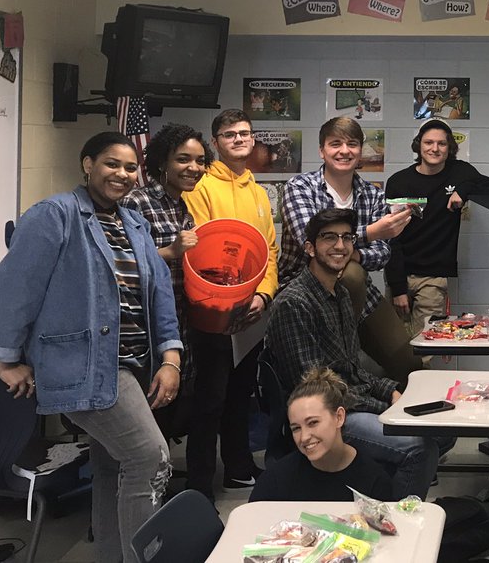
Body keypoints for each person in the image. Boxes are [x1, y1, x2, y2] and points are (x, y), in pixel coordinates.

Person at [0, 132, 182, 563]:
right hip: (86, 367)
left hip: (134, 364)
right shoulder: (54, 215)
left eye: (131, 168)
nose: (123, 175)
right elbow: (12, 291)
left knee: (115, 466)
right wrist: (5, 359)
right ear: (87, 164)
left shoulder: (134, 223)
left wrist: (171, 356)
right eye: (112, 164)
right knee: (150, 460)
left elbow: (160, 291)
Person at [264, 208, 449, 500]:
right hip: (327, 414)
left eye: (346, 238)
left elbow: (353, 368)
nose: (339, 246)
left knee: (444, 430)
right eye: (329, 238)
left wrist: (390, 394)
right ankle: (396, 526)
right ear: (310, 248)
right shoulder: (294, 303)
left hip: (350, 399)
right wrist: (383, 409)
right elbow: (313, 389)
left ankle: (374, 491)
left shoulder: (342, 294)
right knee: (419, 448)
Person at [183, 109, 280, 497]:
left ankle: (238, 467)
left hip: (251, 313)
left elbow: (269, 250)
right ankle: (199, 486)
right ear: (216, 143)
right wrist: (233, 298)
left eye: (244, 133)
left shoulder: (258, 191)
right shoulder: (202, 186)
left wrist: (262, 294)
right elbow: (202, 250)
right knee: (210, 401)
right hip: (214, 314)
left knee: (242, 395)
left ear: (253, 139)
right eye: (229, 135)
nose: (239, 140)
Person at [279, 116, 418, 383]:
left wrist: (355, 251)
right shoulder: (299, 187)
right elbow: (309, 241)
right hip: (304, 291)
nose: (344, 151)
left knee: (410, 366)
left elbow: (383, 254)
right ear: (322, 150)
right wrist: (371, 233)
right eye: (335, 144)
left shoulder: (373, 194)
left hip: (357, 294)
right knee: (352, 273)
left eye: (352, 144)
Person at [122, 122, 210, 432]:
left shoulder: (182, 206)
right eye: (183, 159)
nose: (193, 167)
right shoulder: (137, 201)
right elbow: (121, 264)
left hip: (176, 320)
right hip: (144, 329)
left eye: (200, 161)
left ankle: (162, 479)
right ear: (162, 162)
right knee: (146, 422)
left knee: (169, 415)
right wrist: (171, 251)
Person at [386, 119, 489, 340]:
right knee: (396, 348)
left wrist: (464, 189)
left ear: (449, 147)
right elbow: (392, 237)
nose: (435, 148)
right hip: (400, 273)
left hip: (434, 277)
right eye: (429, 142)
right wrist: (398, 288)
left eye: (441, 144)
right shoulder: (398, 181)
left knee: (426, 345)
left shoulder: (460, 172)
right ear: (418, 145)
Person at [250, 366, 395, 502]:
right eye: (296, 428)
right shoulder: (275, 481)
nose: (304, 437)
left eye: (313, 423)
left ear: (339, 417)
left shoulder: (374, 481)